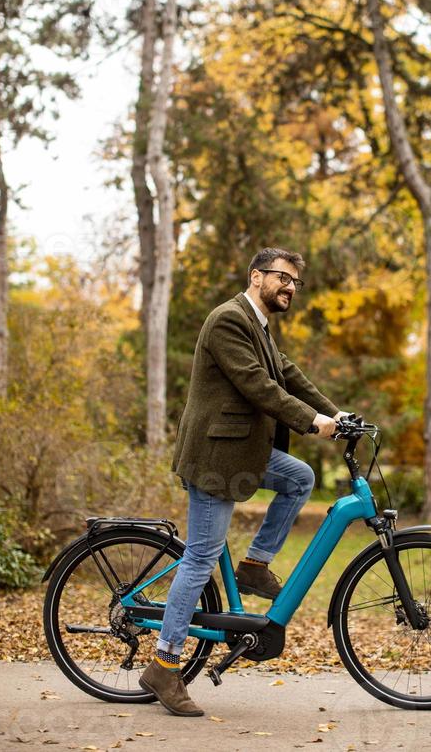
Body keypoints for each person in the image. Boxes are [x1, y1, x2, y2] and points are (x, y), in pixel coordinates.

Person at [139, 247, 346, 716]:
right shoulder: (229, 320)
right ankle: (164, 664)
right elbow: (259, 385)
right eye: (282, 277)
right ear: (257, 276)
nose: (290, 287)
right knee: (200, 558)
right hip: (217, 455)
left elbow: (289, 374)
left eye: (295, 281)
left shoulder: (260, 326)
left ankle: (255, 565)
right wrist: (312, 423)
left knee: (299, 478)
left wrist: (337, 414)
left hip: (242, 452)